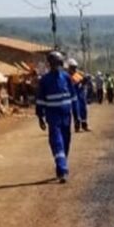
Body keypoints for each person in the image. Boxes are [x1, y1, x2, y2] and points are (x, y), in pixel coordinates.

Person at [36, 51, 79, 183]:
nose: (55, 66)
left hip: (66, 116)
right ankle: (63, 170)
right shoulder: (44, 81)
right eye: (53, 64)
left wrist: (77, 117)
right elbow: (40, 101)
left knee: (65, 143)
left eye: (57, 64)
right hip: (53, 117)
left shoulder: (66, 78)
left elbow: (73, 98)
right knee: (57, 142)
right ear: (50, 65)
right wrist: (40, 117)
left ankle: (61, 165)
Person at [67, 59, 90, 132]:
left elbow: (83, 82)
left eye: (75, 67)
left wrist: (84, 81)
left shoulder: (78, 74)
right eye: (72, 67)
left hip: (81, 95)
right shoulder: (67, 76)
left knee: (83, 110)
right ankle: (77, 127)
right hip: (74, 96)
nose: (74, 69)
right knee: (76, 111)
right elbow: (72, 85)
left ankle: (84, 125)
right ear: (69, 67)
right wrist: (79, 83)